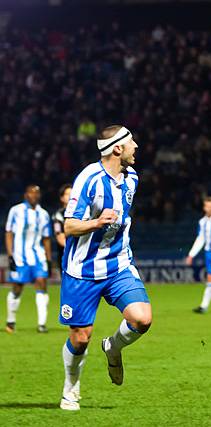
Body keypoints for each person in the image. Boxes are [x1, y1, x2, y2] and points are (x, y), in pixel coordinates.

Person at [58, 125, 151, 411]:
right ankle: (71, 388)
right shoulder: (88, 179)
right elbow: (69, 225)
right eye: (132, 141)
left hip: (119, 264)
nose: (137, 146)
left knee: (142, 319)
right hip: (83, 271)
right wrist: (97, 222)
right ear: (117, 149)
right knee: (81, 338)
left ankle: (113, 347)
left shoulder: (131, 177)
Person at [4, 185, 53, 333]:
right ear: (26, 195)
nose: (34, 195)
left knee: (42, 283)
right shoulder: (16, 210)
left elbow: (46, 239)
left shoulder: (43, 214)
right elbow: (9, 233)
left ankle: (41, 324)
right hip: (19, 256)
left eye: (37, 193)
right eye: (31, 193)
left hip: (38, 256)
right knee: (17, 287)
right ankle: (11, 321)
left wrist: (49, 260)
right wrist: (10, 255)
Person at [52, 183, 72, 271]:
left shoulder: (84, 212)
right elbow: (59, 236)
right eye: (67, 194)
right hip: (65, 254)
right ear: (62, 198)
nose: (71, 196)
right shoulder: (58, 215)